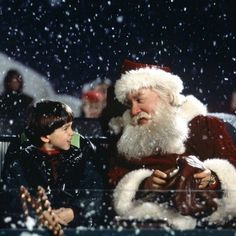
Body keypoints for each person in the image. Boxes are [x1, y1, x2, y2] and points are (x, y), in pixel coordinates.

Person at [107, 59, 236, 230]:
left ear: (166, 94)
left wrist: (211, 179)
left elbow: (232, 171)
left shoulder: (205, 127)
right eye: (129, 104)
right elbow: (112, 181)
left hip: (205, 227)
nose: (134, 111)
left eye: (139, 99)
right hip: (148, 226)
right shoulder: (129, 136)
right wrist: (145, 184)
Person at [0, 100, 104, 229]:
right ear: (45, 137)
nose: (72, 132)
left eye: (71, 126)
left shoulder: (81, 149)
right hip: (34, 228)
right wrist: (38, 215)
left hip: (76, 227)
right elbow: (11, 196)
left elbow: (94, 189)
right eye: (65, 128)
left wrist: (75, 212)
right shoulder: (20, 153)